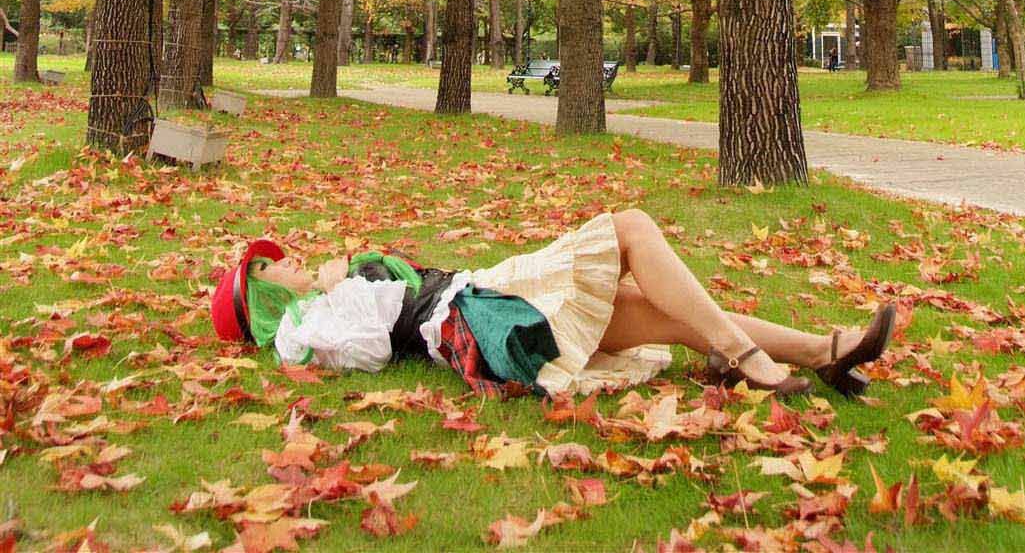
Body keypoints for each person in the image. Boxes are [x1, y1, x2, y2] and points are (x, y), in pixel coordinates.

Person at [211, 209, 896, 404]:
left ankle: (821, 353)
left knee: (648, 309)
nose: (290, 258)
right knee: (628, 228)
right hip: (477, 311)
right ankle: (745, 356)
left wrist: (344, 276)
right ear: (265, 296)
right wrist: (341, 287)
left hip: (481, 290)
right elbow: (371, 351)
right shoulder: (309, 325)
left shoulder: (328, 292)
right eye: (273, 266)